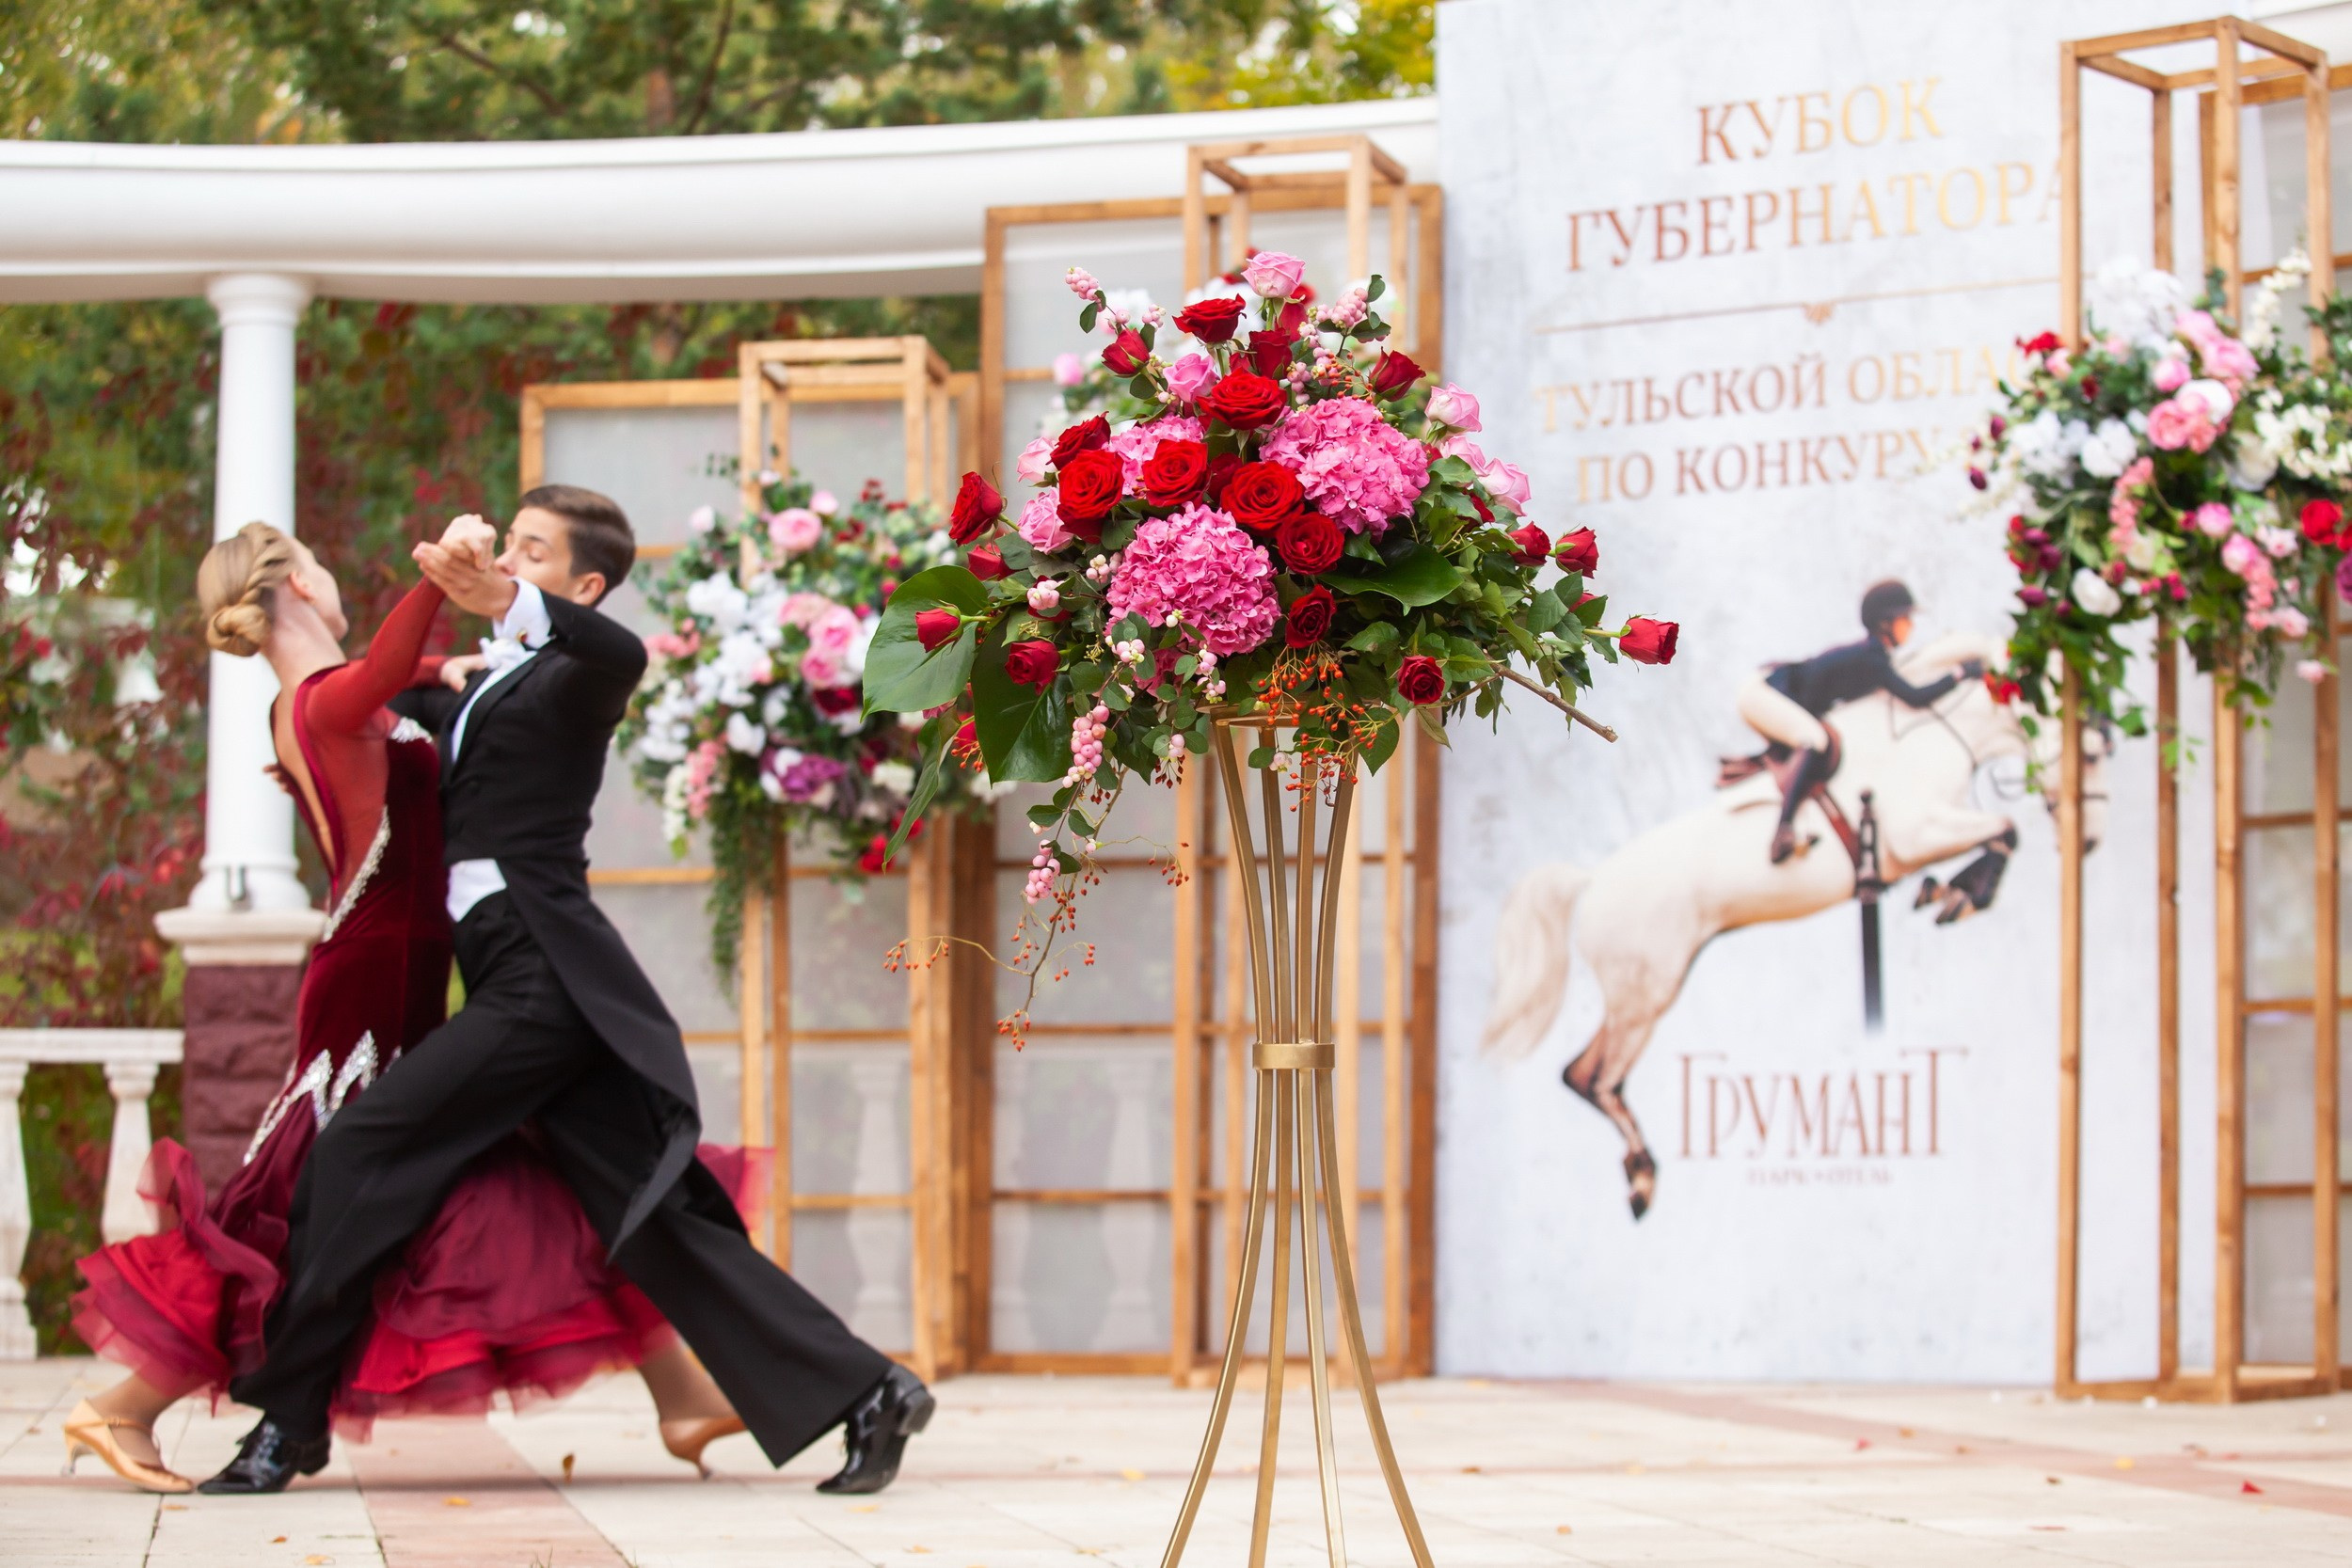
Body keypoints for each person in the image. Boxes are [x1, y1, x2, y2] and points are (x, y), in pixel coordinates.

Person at [204, 489, 928, 1497]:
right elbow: (368, 701)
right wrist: (438, 654)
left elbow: (619, 655)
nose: (507, 556)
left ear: (580, 585)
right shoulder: (478, 683)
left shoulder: (577, 673)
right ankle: (871, 1389)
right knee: (652, 1213)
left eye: (533, 552)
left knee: (363, 1149)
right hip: (515, 976)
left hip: (544, 979)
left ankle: (288, 1424)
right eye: (510, 539)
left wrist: (504, 599)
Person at [65, 522, 746, 1496]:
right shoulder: (319, 700)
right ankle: (124, 1403)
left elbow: (428, 676)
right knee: (307, 1211)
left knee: (505, 1181)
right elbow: (387, 666)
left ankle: (679, 1386)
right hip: (369, 983)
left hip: (416, 971)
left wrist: (484, 641)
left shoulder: (366, 697)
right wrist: (440, 577)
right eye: (326, 559)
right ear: (300, 579)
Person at [1737, 579, 1981, 864]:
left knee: (1818, 736)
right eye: (1905, 619)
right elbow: (1915, 697)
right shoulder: (1873, 658)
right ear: (1885, 623)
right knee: (1815, 740)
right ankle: (1783, 830)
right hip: (1761, 694)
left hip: (1775, 690)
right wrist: (1959, 674)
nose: (1911, 626)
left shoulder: (1875, 656)